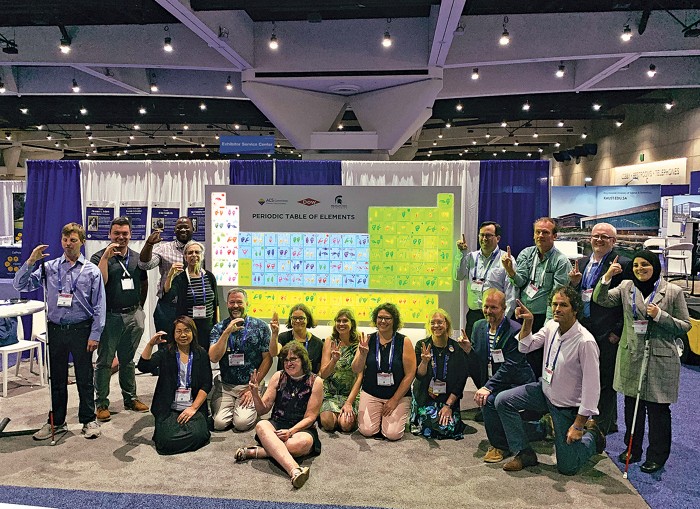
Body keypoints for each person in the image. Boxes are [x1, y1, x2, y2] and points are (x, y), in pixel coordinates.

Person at [593, 249, 690, 473]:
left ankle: (657, 455)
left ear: (655, 266)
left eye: (645, 265)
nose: (640, 269)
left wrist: (660, 316)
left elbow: (685, 325)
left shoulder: (673, 291)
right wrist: (607, 277)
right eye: (636, 265)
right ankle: (632, 448)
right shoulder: (627, 287)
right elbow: (601, 299)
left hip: (660, 358)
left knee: (658, 410)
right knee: (631, 407)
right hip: (632, 355)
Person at [494, 287, 605, 475]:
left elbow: (592, 388)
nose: (557, 309)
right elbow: (525, 346)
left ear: (575, 309)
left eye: (563, 305)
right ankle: (524, 452)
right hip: (544, 391)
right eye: (554, 304)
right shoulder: (551, 326)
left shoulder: (585, 342)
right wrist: (528, 322)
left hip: (565, 405)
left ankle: (592, 436)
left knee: (567, 468)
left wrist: (579, 425)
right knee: (502, 401)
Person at [13, 222, 106, 440]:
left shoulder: (91, 271)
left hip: (82, 329)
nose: (68, 244)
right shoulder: (49, 267)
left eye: (73, 240)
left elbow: (100, 305)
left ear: (82, 242)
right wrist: (31, 261)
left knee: (84, 377)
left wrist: (95, 334)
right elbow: (20, 285)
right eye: (65, 240)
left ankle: (88, 420)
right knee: (57, 378)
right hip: (56, 329)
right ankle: (57, 422)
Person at [236, 342, 323, 489]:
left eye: (293, 359)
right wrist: (255, 393)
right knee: (261, 425)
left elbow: (310, 417)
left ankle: (259, 452)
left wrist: (291, 431)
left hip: (301, 427)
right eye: (286, 360)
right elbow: (262, 410)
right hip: (277, 423)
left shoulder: (316, 381)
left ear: (303, 360)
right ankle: (294, 470)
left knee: (300, 444)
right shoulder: (278, 376)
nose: (289, 363)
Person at [569, 223, 629, 435]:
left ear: (613, 241)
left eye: (605, 237)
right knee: (586, 375)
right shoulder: (582, 262)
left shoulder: (622, 264)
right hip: (584, 327)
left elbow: (628, 302)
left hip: (607, 330)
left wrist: (618, 330)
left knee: (605, 378)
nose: (599, 240)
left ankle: (603, 425)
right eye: (596, 236)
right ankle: (596, 417)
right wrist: (575, 284)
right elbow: (577, 294)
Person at [456, 221, 517, 421]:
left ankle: (493, 399)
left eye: (489, 235)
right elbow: (458, 275)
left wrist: (503, 322)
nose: (484, 238)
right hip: (475, 315)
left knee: (496, 360)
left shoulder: (506, 260)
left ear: (497, 238)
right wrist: (461, 254)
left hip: (497, 317)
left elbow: (510, 291)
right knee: (474, 360)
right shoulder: (471, 257)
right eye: (482, 235)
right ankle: (484, 400)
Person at [91, 217, 149, 422]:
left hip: (133, 315)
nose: (121, 237)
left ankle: (130, 398)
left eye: (125, 233)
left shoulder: (136, 258)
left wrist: (139, 309)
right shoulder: (99, 256)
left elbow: (144, 283)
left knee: (128, 361)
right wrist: (106, 258)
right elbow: (100, 283)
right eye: (117, 233)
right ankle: (102, 404)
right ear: (110, 234)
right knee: (104, 362)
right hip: (110, 316)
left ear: (130, 235)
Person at [470, 289, 537, 463]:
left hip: (517, 381)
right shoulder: (478, 327)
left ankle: (500, 446)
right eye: (486, 306)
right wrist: (466, 351)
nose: (488, 311)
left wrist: (488, 387)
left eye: (494, 307)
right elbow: (478, 358)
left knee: (490, 401)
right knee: (491, 399)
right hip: (496, 380)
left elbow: (511, 366)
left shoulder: (514, 330)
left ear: (504, 308)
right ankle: (540, 429)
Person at [502, 217, 571, 378]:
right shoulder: (527, 253)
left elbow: (556, 295)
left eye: (545, 232)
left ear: (554, 236)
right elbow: (520, 282)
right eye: (537, 232)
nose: (540, 235)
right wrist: (511, 271)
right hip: (523, 316)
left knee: (538, 360)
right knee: (519, 357)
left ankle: (538, 393)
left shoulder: (561, 261)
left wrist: (549, 325)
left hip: (543, 318)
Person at [137, 316, 213, 455]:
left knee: (199, 435)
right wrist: (150, 345)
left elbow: (206, 384)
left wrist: (193, 408)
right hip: (168, 407)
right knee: (165, 441)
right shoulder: (167, 352)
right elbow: (144, 366)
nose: (183, 335)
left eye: (187, 330)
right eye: (178, 331)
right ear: (173, 333)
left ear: (193, 333)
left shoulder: (201, 353)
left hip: (192, 406)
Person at [209, 288, 272, 431]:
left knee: (242, 424)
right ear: (227, 304)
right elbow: (213, 357)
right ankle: (229, 404)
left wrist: (253, 388)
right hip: (226, 385)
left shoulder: (260, 327)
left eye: (239, 302)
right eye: (232, 302)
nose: (235, 306)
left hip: (249, 385)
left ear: (247, 303)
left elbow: (267, 359)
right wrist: (226, 332)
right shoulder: (218, 328)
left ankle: (247, 404)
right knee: (219, 424)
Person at [351, 302, 416, 441]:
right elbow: (356, 369)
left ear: (394, 321)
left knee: (393, 434)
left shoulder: (404, 341)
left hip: (397, 395)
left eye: (387, 318)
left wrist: (394, 400)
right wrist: (362, 354)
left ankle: (389, 417)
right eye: (380, 317)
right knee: (367, 430)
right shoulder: (367, 340)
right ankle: (380, 417)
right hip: (371, 392)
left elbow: (410, 374)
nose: (383, 321)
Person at [413, 309, 468, 439]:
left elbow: (461, 380)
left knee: (448, 428)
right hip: (426, 396)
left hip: (448, 397)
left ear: (446, 324)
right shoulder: (422, 345)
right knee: (428, 426)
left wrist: (448, 405)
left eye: (440, 322)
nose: (436, 326)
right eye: (432, 323)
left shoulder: (457, 348)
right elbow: (419, 376)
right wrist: (424, 362)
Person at [138, 217, 193, 337]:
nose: (183, 229)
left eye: (186, 227)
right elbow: (145, 265)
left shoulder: (198, 250)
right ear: (174, 230)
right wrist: (149, 244)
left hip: (192, 304)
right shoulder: (164, 249)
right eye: (179, 227)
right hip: (168, 306)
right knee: (165, 345)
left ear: (193, 229)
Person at [165, 240, 218, 350]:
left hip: (207, 326)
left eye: (197, 252)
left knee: (205, 357)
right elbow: (168, 293)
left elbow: (215, 303)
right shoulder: (180, 278)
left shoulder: (209, 276)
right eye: (190, 253)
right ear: (185, 257)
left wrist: (217, 326)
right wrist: (170, 275)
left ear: (202, 255)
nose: (194, 255)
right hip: (188, 327)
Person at [318, 309, 363, 433]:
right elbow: (323, 374)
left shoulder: (359, 342)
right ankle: (334, 414)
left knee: (346, 425)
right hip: (331, 392)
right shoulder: (330, 340)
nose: (341, 324)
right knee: (328, 423)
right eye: (338, 321)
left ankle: (342, 415)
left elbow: (360, 376)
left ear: (352, 323)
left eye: (345, 321)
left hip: (350, 394)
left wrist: (349, 403)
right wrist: (333, 360)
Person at [269, 303, 324, 374]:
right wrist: (274, 334)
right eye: (294, 318)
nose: (297, 321)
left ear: (308, 319)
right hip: (285, 383)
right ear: (290, 319)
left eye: (301, 318)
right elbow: (273, 353)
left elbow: (319, 370)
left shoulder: (317, 343)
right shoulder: (283, 337)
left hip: (308, 383)